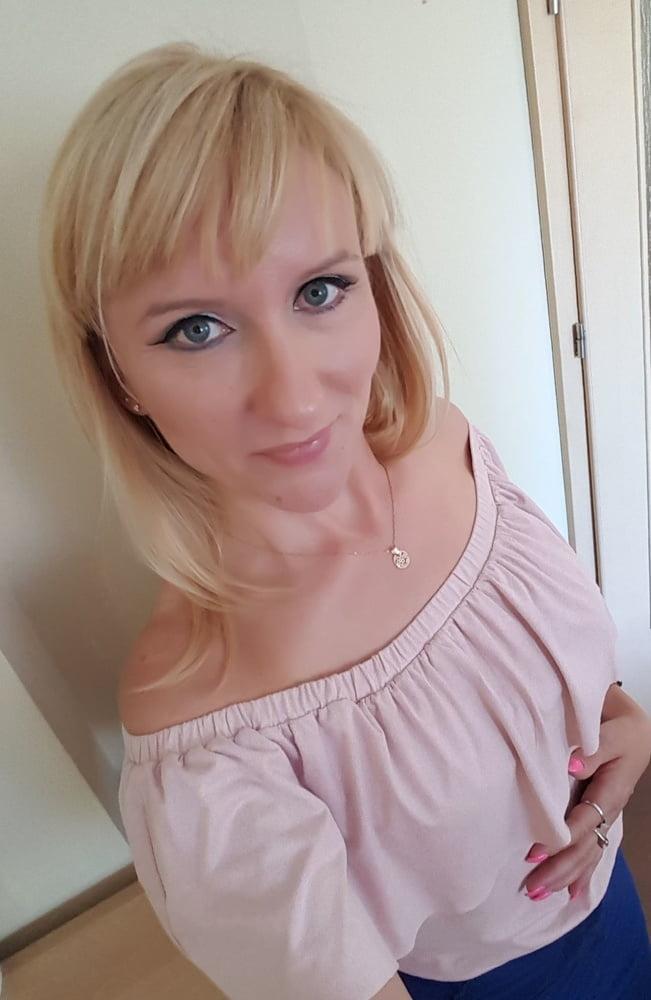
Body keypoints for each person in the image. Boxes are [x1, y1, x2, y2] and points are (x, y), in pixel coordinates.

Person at [40, 41, 651, 1000]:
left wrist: (625, 724)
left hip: (615, 904)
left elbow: (546, 679)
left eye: (319, 290)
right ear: (117, 375)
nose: (293, 397)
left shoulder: (452, 448)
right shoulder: (201, 713)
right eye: (196, 328)